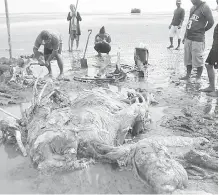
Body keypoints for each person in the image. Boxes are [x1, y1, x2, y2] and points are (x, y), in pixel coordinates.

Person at [180, 0, 214, 81]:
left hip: (198, 39)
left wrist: (203, 30)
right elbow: (189, 22)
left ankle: (198, 77)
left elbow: (211, 22)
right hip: (189, 37)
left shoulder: (205, 7)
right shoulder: (192, 8)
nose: (191, 1)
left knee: (198, 59)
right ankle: (188, 75)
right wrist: (185, 36)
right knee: (187, 58)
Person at [200, 0, 218, 97]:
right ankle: (212, 87)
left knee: (212, 65)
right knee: (208, 64)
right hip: (215, 44)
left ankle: (216, 91)